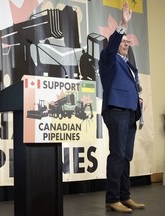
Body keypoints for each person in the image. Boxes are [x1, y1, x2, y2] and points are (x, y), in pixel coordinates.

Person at [98, 2, 145, 213]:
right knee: (117, 155)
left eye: (128, 42)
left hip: (130, 112)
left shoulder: (128, 64)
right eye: (122, 41)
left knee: (126, 156)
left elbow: (130, 86)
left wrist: (138, 99)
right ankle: (112, 198)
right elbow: (113, 43)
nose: (126, 43)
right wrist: (123, 25)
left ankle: (125, 196)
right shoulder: (108, 59)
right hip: (116, 111)